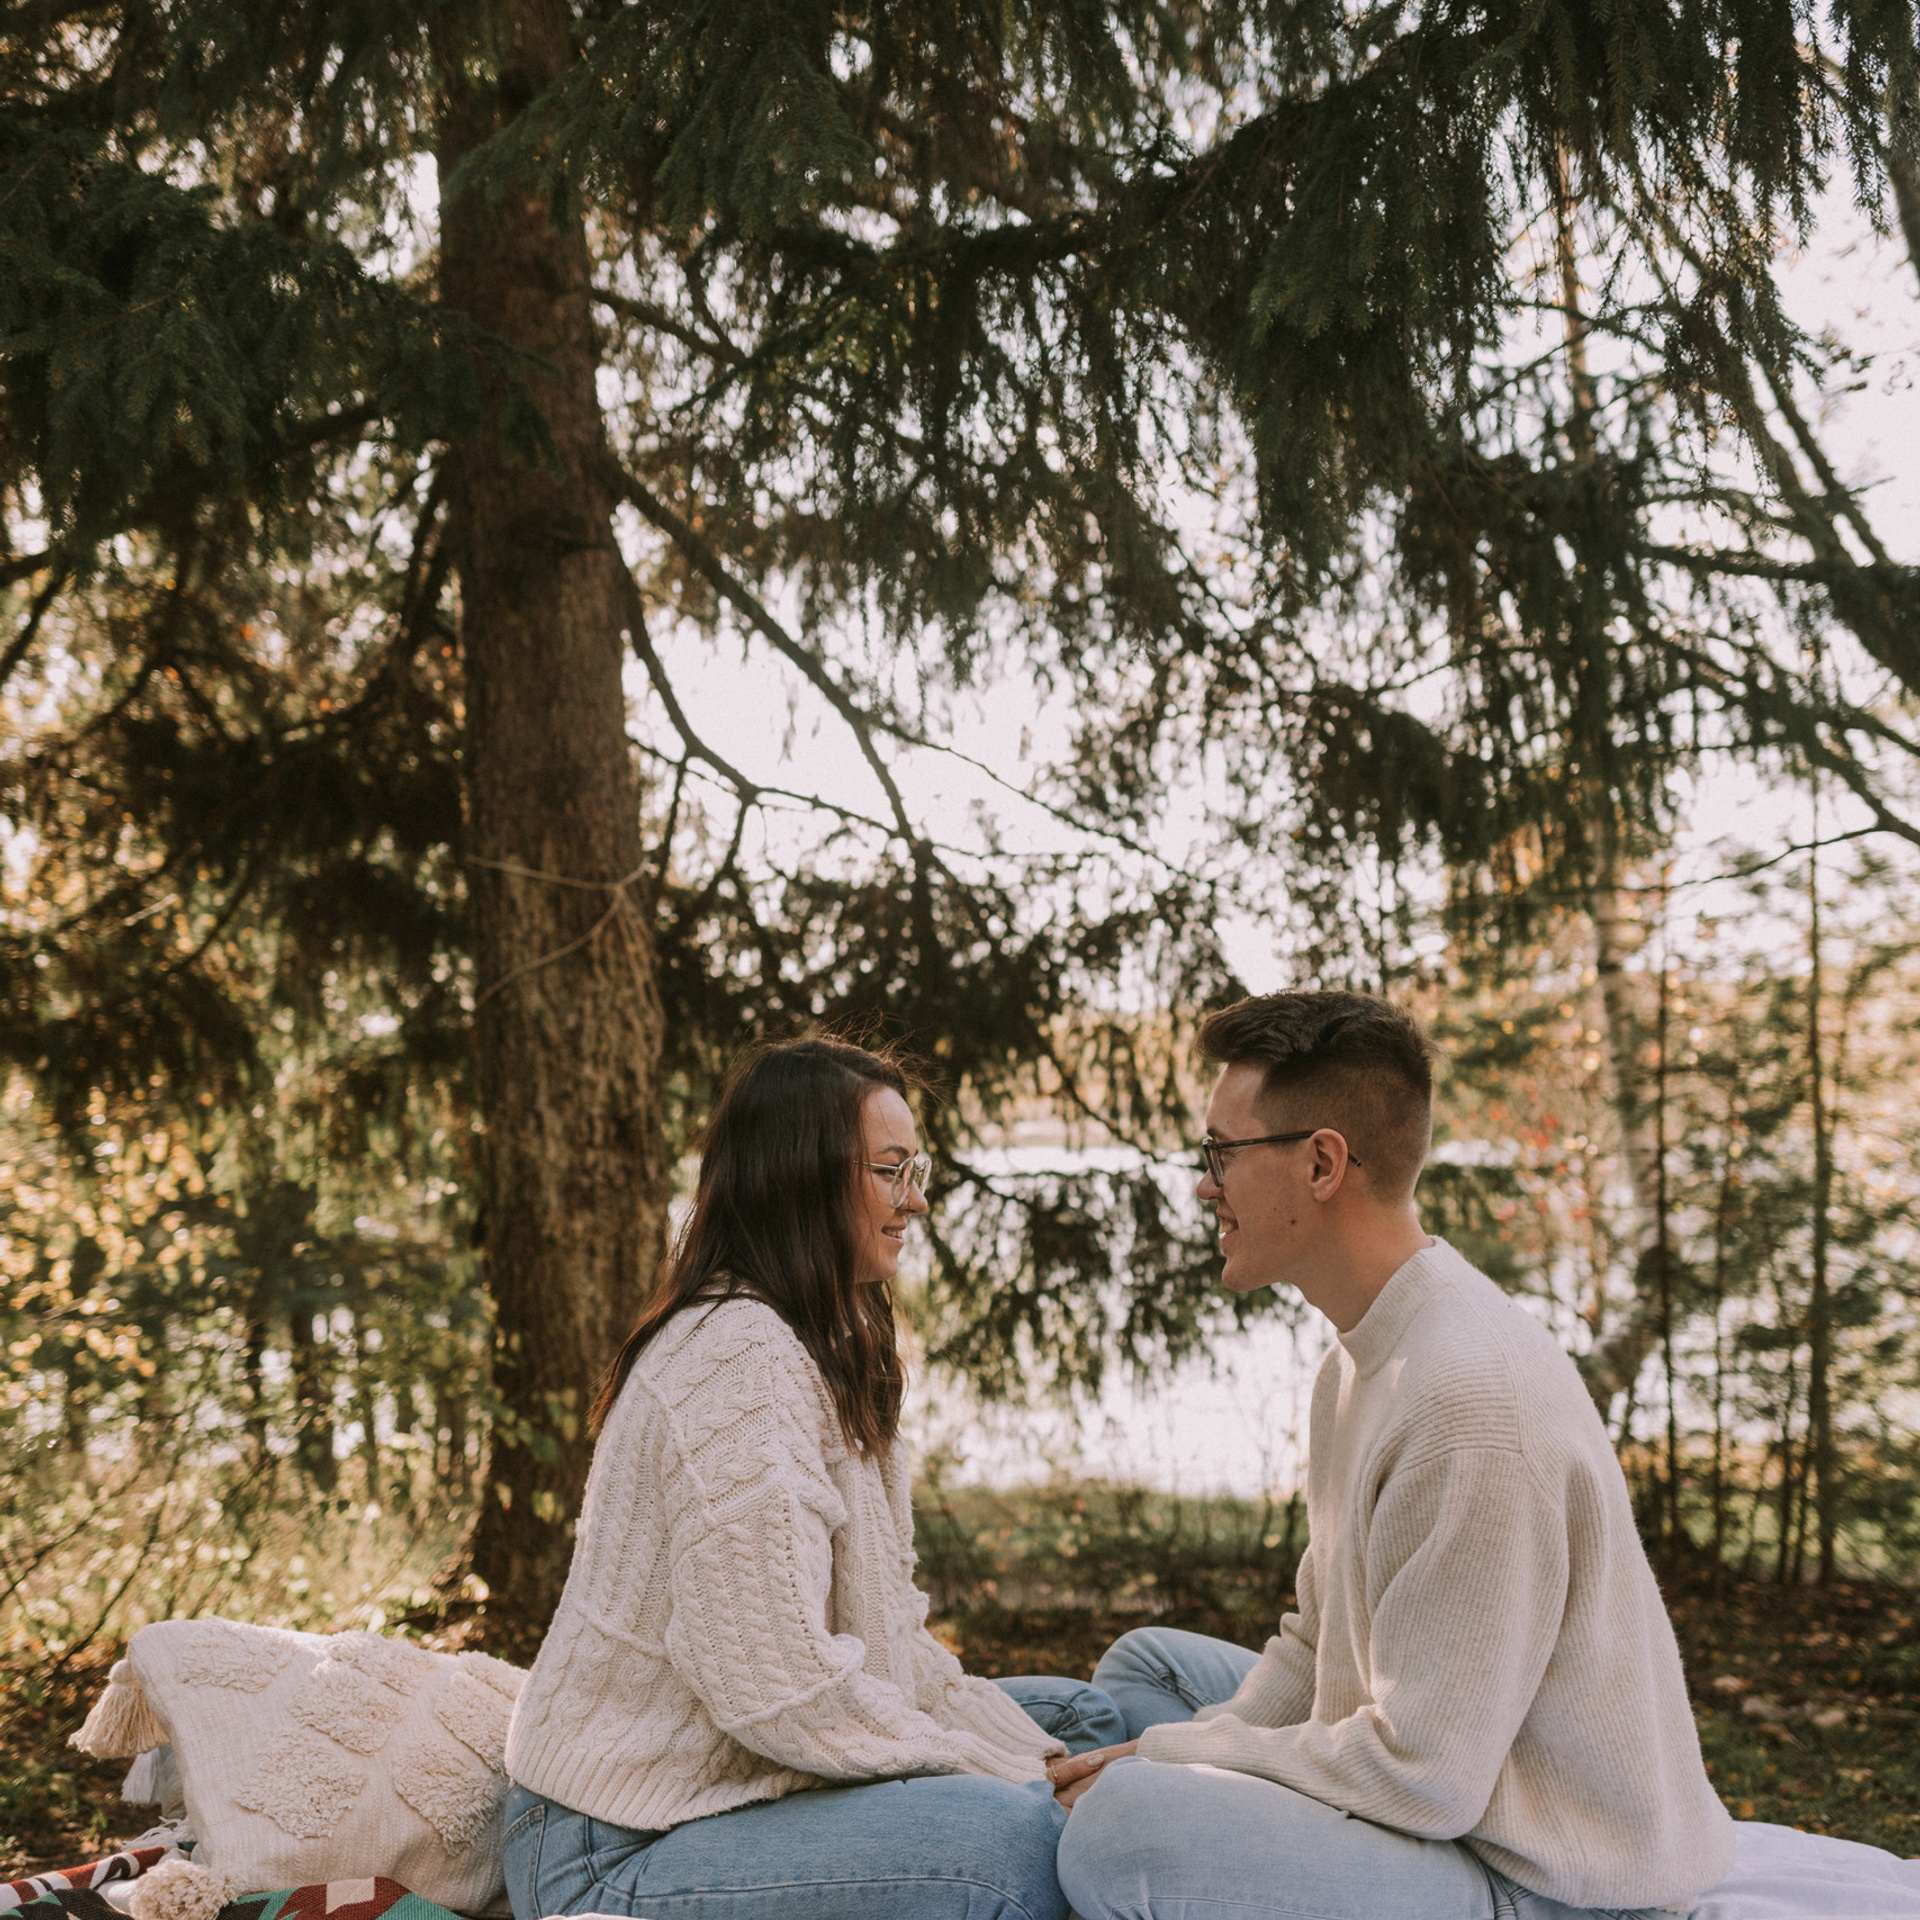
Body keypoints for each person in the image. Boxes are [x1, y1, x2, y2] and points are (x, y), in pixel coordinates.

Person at [1051, 990, 1736, 1920]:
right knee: (1149, 1670)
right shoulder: (1361, 1356)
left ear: (1323, 1163)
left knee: (1121, 1827)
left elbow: (1428, 1778)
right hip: (1451, 1783)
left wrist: (1175, 1761)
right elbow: (1316, 1635)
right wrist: (1196, 1745)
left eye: (1221, 1152)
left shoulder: (1466, 1400)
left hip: (1540, 1879)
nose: (1204, 1184)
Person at [501, 1036, 1123, 1920]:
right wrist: (1013, 1784)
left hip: (737, 1779)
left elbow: (890, 1639)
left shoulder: (821, 1344)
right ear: (802, 1176)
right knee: (1013, 1845)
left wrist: (1039, 1765)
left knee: (1084, 1728)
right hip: (617, 1839)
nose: (916, 1200)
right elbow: (777, 1685)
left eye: (919, 1167)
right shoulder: (736, 1358)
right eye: (890, 1170)